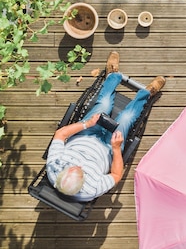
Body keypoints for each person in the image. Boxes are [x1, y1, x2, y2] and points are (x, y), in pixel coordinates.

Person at [46, 51, 165, 201]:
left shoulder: (54, 168)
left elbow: (60, 135)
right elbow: (116, 176)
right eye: (81, 172)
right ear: (82, 184)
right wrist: (116, 149)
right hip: (109, 148)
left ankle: (112, 76)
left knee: (104, 104)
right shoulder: (92, 189)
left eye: (73, 167)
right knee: (126, 117)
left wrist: (86, 124)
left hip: (85, 134)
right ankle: (147, 93)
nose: (80, 166)